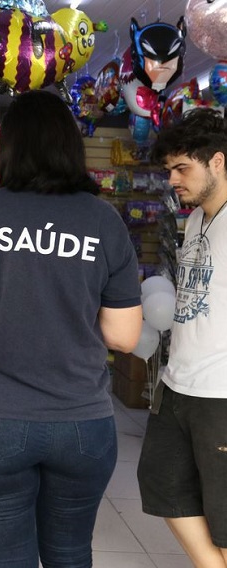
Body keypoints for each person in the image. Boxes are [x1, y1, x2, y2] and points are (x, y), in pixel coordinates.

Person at [0, 90, 143, 568]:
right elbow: (124, 337)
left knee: (7, 558)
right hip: (81, 422)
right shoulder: (104, 220)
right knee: (70, 553)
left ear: (8, 149)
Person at [137, 108, 227, 567]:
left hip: (221, 392)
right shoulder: (194, 221)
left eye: (182, 168)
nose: (172, 179)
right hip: (179, 383)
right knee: (162, 483)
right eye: (169, 169)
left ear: (217, 161)